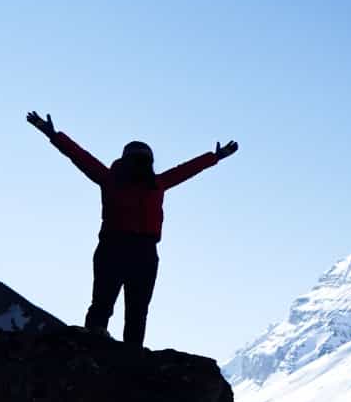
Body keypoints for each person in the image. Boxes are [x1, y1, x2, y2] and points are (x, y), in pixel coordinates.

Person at [26, 111, 238, 349]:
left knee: (114, 307)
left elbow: (81, 157)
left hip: (120, 249)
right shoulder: (149, 183)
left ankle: (105, 352)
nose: (140, 165)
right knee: (126, 309)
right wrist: (53, 135)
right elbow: (186, 170)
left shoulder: (118, 180)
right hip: (134, 251)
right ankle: (124, 357)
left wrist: (53, 135)